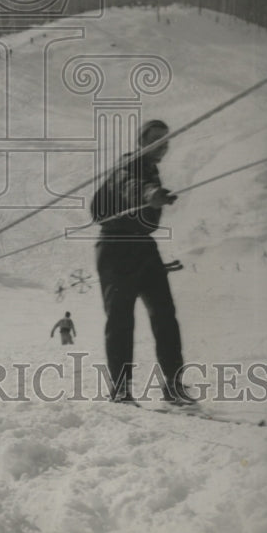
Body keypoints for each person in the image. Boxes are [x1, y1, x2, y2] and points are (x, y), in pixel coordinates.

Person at [91, 119, 190, 405]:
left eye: (166, 140)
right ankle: (120, 389)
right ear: (141, 142)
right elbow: (131, 186)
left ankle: (174, 384)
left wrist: (155, 194)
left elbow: (144, 187)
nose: (163, 145)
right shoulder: (126, 165)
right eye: (157, 139)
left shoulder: (151, 170)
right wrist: (150, 195)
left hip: (144, 247)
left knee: (164, 313)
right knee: (121, 318)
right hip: (116, 247)